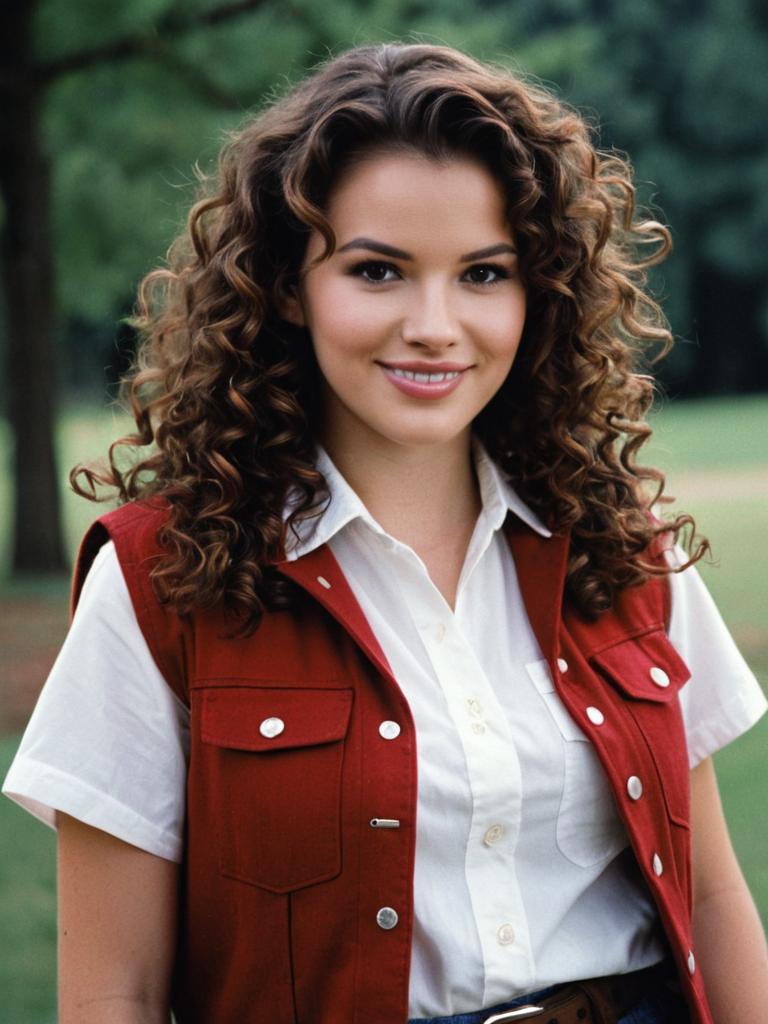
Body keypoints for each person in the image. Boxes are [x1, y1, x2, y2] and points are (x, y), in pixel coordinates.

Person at [3, 41, 767, 1024]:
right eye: (378, 271)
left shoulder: (620, 543)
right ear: (288, 285)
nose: (435, 325)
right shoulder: (162, 580)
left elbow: (713, 899)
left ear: (537, 290)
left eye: (483, 273)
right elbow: (117, 993)